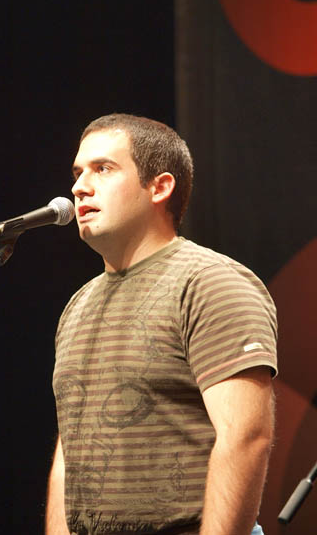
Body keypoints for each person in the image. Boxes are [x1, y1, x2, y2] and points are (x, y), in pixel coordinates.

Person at [46, 114, 277, 535]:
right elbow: (72, 449)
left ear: (160, 187)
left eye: (103, 169)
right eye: (78, 173)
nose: (80, 187)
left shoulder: (210, 283)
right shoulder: (77, 306)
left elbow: (245, 437)